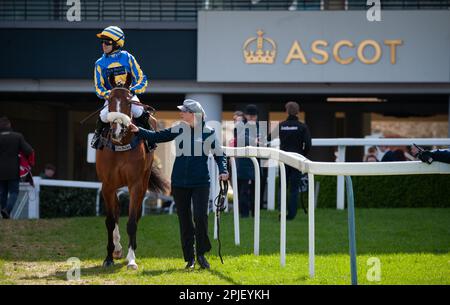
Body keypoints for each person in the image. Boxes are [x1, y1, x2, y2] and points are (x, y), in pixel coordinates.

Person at [129, 99, 229, 270]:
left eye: (184, 111)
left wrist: (223, 170)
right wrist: (138, 130)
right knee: (185, 221)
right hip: (179, 183)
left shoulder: (208, 132)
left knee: (200, 217)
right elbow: (157, 136)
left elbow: (220, 155)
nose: (181, 113)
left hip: (200, 183)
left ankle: (201, 254)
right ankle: (189, 258)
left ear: (193, 114)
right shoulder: (178, 128)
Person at [91, 26, 150, 149]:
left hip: (129, 96)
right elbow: (98, 87)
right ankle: (97, 137)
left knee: (139, 113)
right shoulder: (99, 63)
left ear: (117, 44)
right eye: (102, 42)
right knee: (103, 115)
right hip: (112, 98)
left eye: (107, 42)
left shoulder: (128, 57)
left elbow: (141, 78)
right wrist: (109, 95)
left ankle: (149, 139)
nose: (104, 45)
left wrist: (133, 90)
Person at [278, 101, 311, 220]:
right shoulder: (302, 126)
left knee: (282, 187)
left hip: (283, 160)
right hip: (297, 160)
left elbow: (269, 138)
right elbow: (308, 144)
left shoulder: (281, 125)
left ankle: (281, 212)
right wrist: (302, 155)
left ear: (286, 111)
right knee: (294, 189)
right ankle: (291, 215)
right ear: (297, 112)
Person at [0, 117, 34, 219]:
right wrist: (29, 163)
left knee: (2, 192)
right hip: (13, 170)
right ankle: (7, 210)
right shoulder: (17, 136)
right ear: (9, 125)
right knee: (14, 192)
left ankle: (5, 214)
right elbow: (28, 151)